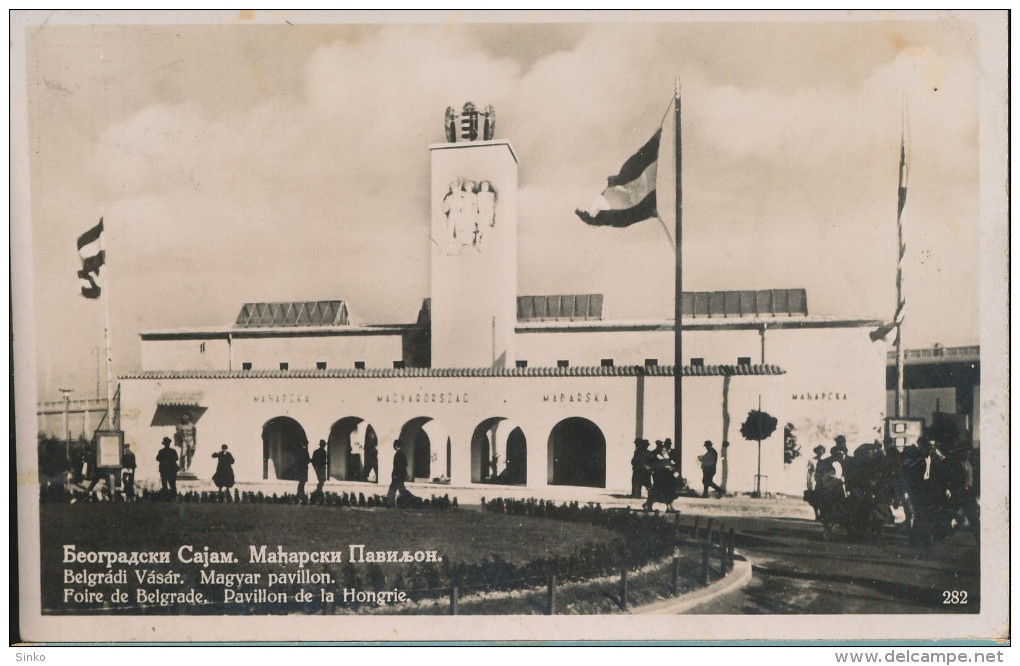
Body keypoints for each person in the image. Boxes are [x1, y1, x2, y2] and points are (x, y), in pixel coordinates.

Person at [643, 441, 680, 513]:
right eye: (662, 449)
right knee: (657, 492)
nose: (664, 451)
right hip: (660, 477)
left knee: (669, 491)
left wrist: (672, 467)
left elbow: (670, 463)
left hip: (667, 477)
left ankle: (669, 507)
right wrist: (665, 467)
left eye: (664, 449)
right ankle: (648, 505)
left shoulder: (666, 456)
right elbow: (654, 466)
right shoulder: (655, 456)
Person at [386, 440, 415, 507]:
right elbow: (405, 464)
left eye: (393, 445)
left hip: (397, 476)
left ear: (396, 446)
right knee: (401, 490)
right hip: (400, 475)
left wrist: (395, 475)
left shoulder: (398, 454)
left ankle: (390, 504)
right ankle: (410, 501)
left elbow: (397, 466)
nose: (393, 446)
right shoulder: (402, 453)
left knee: (393, 490)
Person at [805, 444, 826, 519]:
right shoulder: (812, 460)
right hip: (813, 480)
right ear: (816, 451)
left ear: (823, 452)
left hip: (822, 480)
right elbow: (809, 472)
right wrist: (808, 482)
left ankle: (822, 514)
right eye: (818, 451)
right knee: (814, 499)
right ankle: (817, 514)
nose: (820, 452)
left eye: (822, 451)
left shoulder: (825, 460)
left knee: (822, 497)